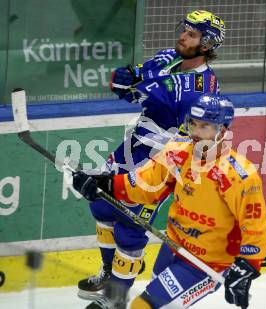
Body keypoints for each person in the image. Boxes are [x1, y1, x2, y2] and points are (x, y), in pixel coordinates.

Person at [76, 9, 226, 308]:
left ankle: (115, 299)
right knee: (101, 205)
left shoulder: (202, 88)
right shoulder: (168, 56)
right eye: (184, 29)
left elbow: (150, 93)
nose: (183, 36)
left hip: (160, 160)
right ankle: (109, 272)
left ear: (207, 45)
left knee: (129, 231)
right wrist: (124, 79)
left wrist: (130, 85)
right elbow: (130, 81)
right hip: (135, 144)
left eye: (192, 34)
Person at [73, 94, 266, 308]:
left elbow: (255, 228)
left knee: (143, 306)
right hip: (173, 245)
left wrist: (247, 265)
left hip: (206, 263)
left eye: (204, 126)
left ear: (222, 131)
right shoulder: (177, 153)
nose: (196, 132)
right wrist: (105, 184)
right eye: (192, 124)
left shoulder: (238, 175)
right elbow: (145, 185)